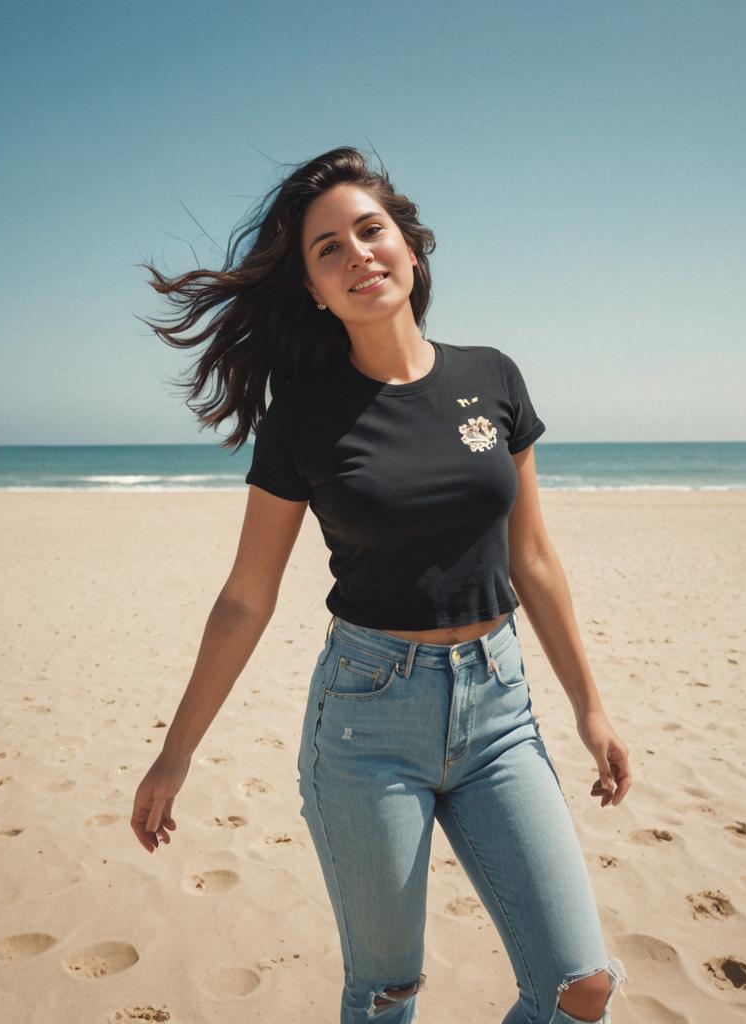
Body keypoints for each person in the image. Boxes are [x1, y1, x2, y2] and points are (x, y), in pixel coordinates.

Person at [131, 146, 632, 1024]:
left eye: (371, 231)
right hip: (367, 721)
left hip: (500, 712)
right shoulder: (305, 417)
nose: (358, 254)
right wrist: (176, 755)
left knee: (577, 987)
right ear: (316, 290)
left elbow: (536, 559)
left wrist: (590, 706)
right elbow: (247, 595)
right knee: (387, 989)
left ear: (410, 247)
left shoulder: (493, 377)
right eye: (329, 249)